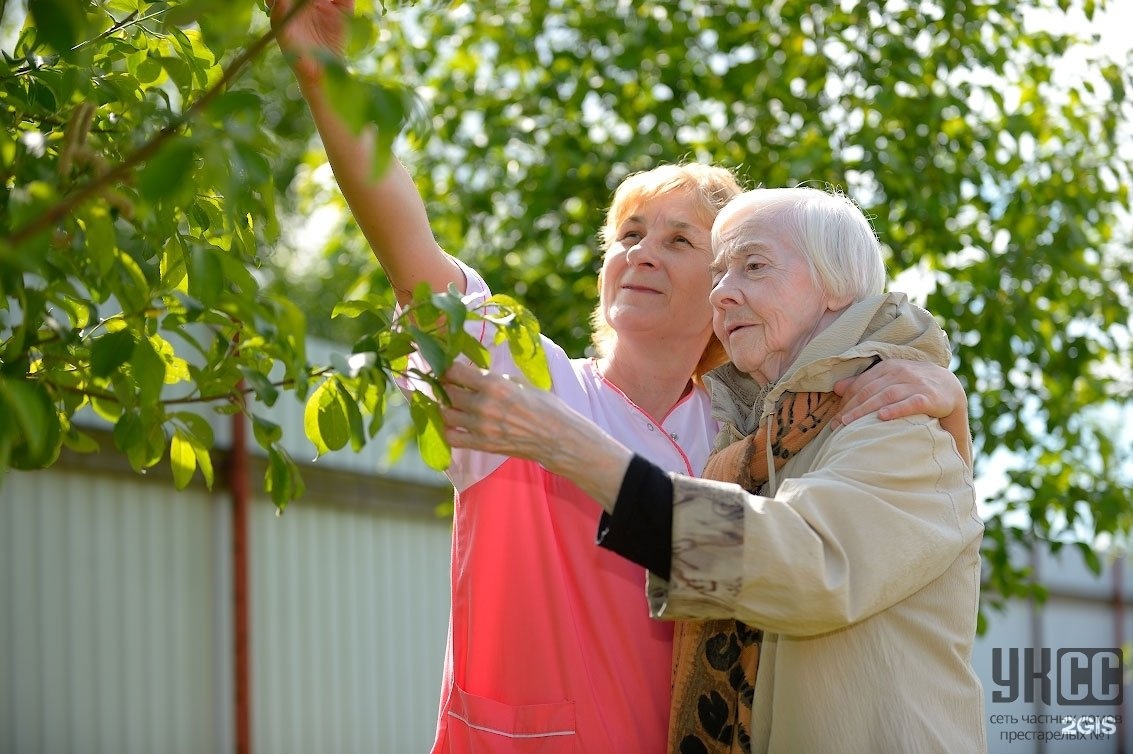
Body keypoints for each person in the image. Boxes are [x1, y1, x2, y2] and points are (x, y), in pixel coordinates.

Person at [270, 2, 976, 751]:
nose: (641, 254)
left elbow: (844, 534)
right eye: (628, 236)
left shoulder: (744, 432)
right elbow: (410, 253)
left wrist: (951, 407)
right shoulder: (527, 379)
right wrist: (325, 74)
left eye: (681, 243)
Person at [439, 186, 986, 754]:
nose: (721, 294)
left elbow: (803, 565)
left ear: (836, 287)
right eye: (719, 274)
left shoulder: (894, 424)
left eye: (752, 266)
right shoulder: (761, 444)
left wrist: (570, 444)